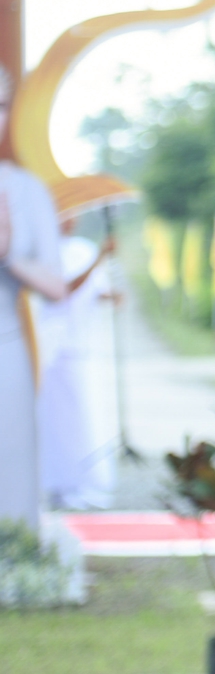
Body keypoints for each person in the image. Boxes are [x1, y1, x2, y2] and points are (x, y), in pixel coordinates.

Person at [0, 104, 68, 528]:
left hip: (5, 347)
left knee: (11, 460)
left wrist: (9, 256)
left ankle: (13, 553)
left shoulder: (25, 190)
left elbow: (57, 286)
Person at [36, 228, 121, 511]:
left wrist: (112, 296)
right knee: (64, 420)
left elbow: (93, 292)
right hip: (57, 347)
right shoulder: (43, 251)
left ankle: (87, 483)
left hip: (84, 344)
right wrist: (100, 257)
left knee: (88, 415)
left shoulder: (83, 248)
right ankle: (65, 485)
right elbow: (63, 290)